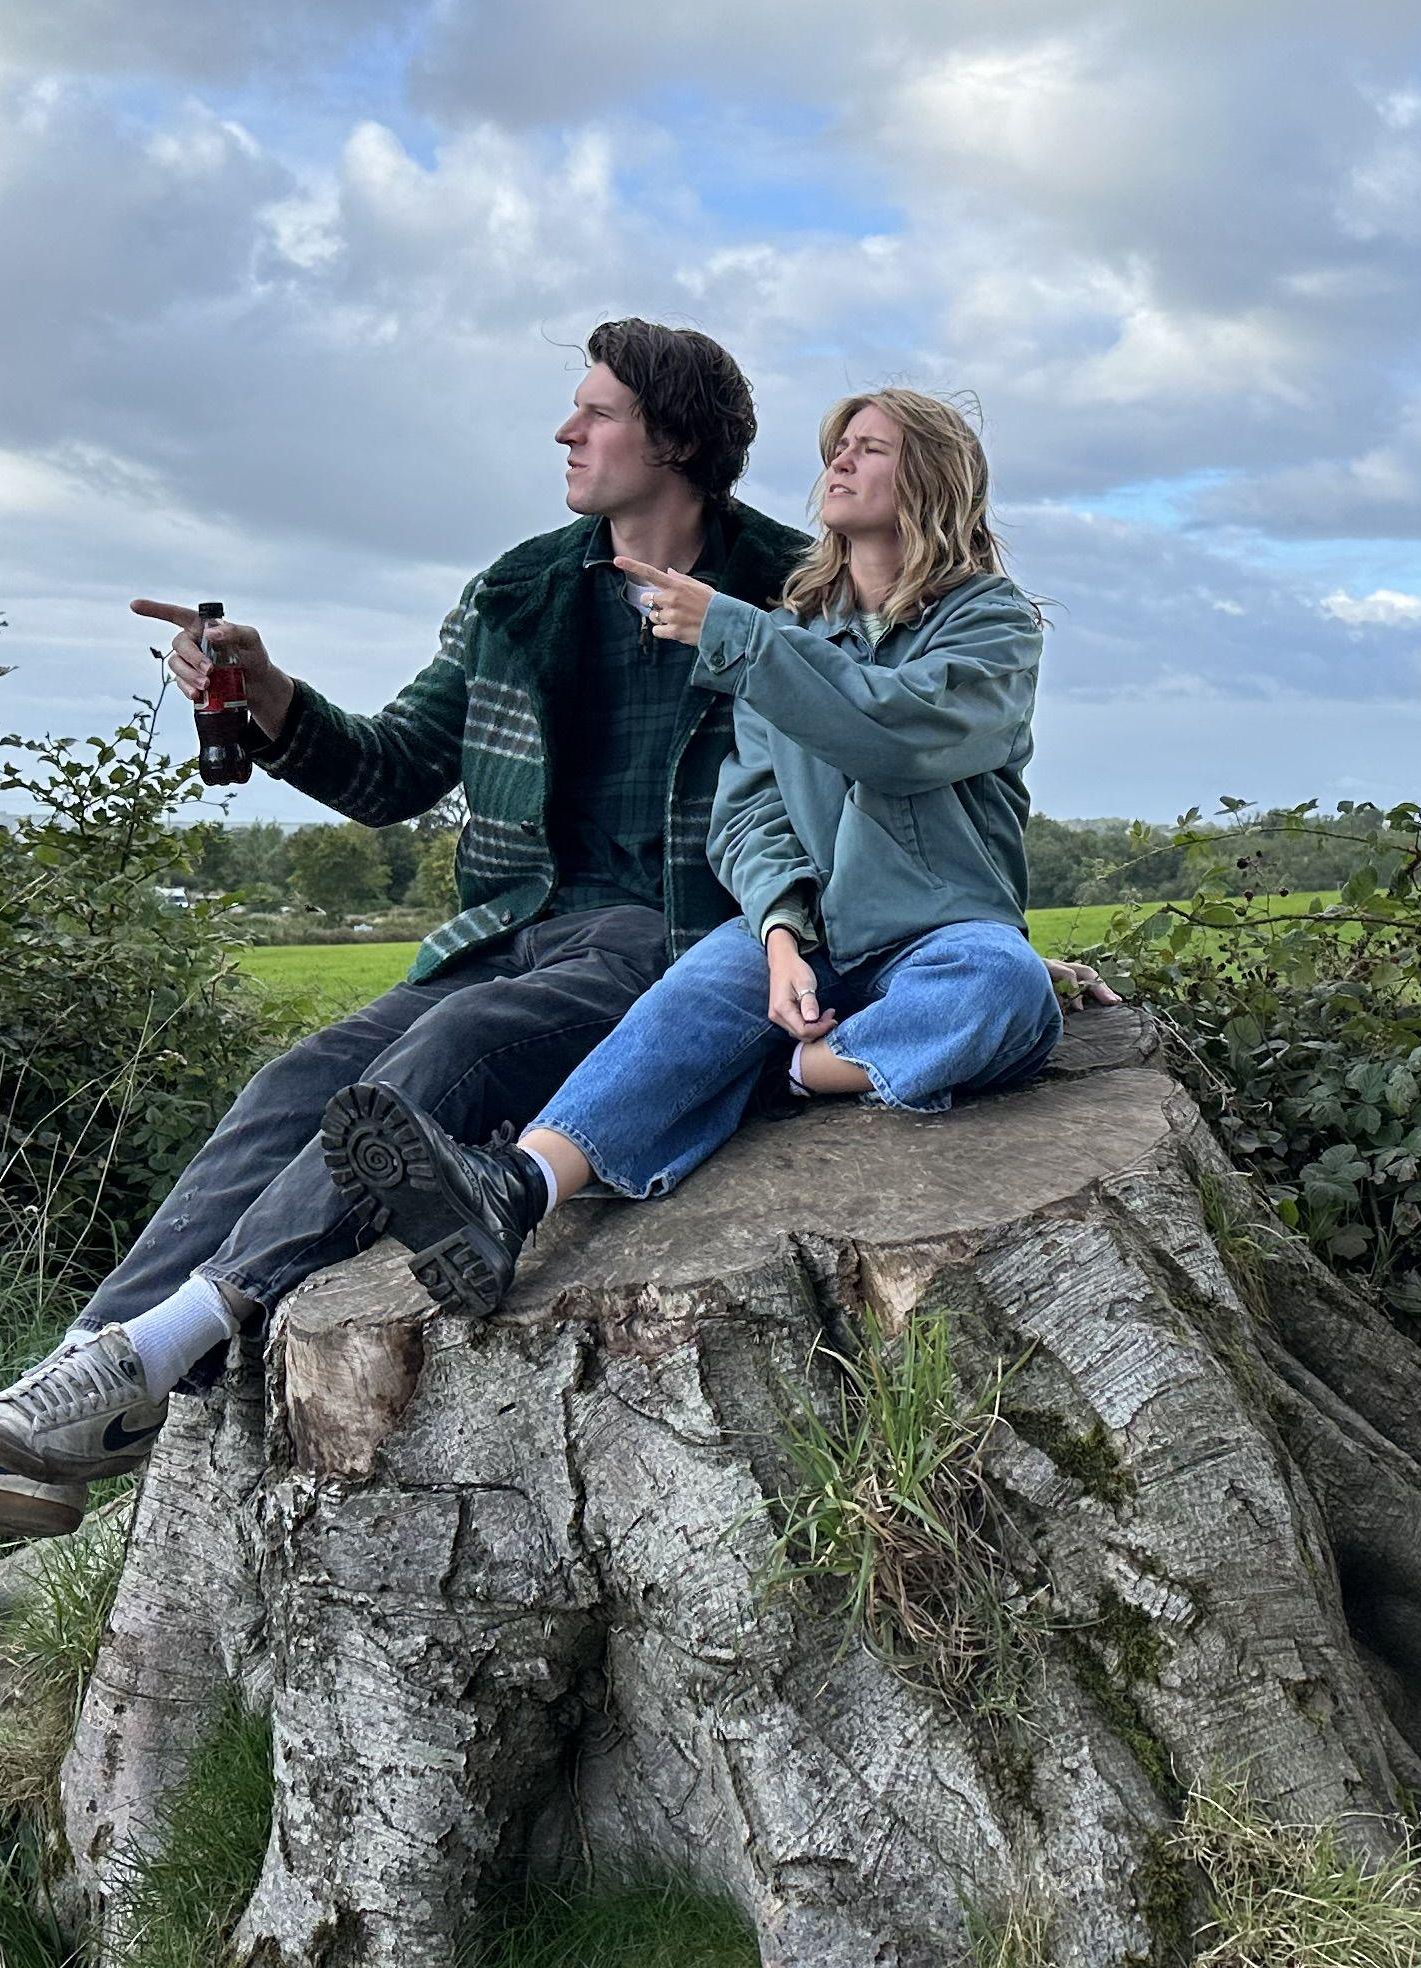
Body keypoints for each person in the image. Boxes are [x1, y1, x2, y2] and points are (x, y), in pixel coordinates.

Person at [0, 319, 804, 1534]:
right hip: (515, 927)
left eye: (596, 413)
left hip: (686, 941)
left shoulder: (794, 589)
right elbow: (392, 773)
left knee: (450, 1049)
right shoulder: (520, 593)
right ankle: (42, 1399)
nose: (563, 431)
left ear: (678, 439)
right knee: (298, 1077)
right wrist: (266, 695)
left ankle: (158, 1353)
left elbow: (884, 762)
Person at [313, 384, 1061, 1315]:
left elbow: (903, 737)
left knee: (1004, 984)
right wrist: (783, 934)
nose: (839, 462)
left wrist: (741, 637)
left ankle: (782, 1073)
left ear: (936, 479)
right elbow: (750, 815)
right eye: (837, 446)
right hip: (814, 937)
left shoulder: (986, 624)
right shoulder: (794, 634)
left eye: (871, 447)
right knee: (697, 988)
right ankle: (511, 1191)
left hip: (939, 930)